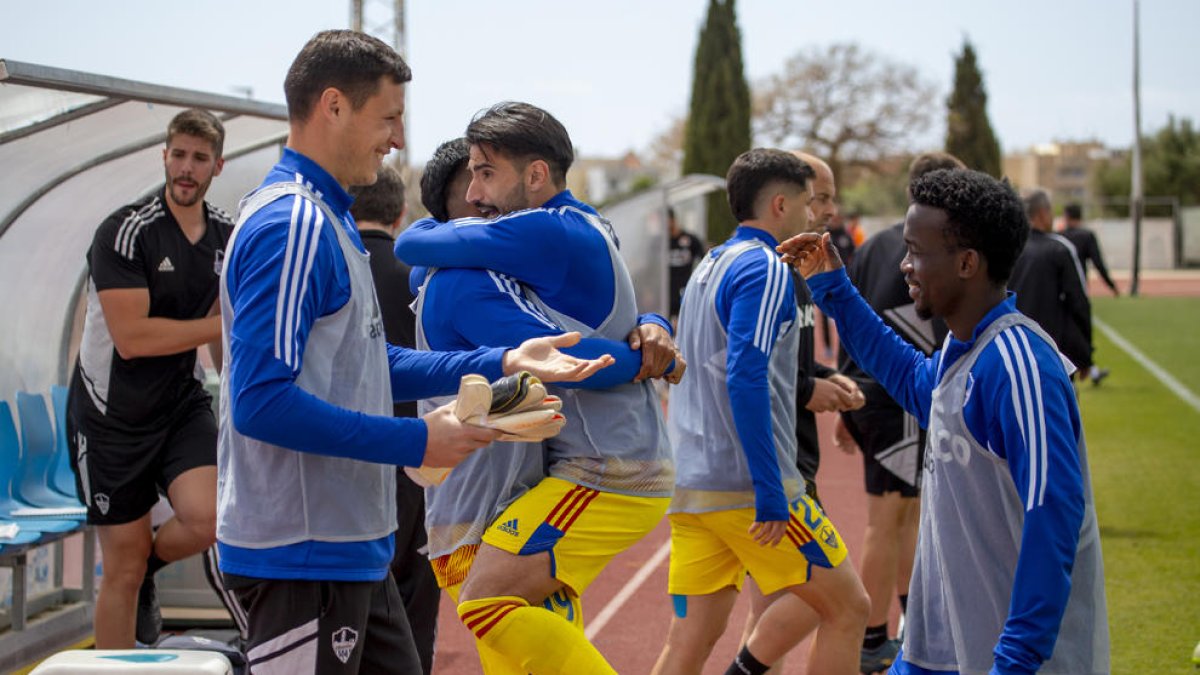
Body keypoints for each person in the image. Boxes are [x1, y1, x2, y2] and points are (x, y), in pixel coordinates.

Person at [216, 32, 610, 674]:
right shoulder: (293, 225)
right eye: (389, 116)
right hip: (301, 557)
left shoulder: (329, 218)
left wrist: (504, 361)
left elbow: (370, 365)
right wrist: (415, 442)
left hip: (350, 551)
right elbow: (258, 403)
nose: (398, 137)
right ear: (334, 106)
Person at [781, 167, 1109, 674]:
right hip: (940, 653)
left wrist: (1016, 659)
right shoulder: (964, 349)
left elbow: (1054, 515)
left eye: (916, 251)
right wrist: (835, 289)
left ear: (967, 263)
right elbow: (913, 379)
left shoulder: (1019, 366)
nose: (905, 265)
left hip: (1014, 661)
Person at [396, 101, 679, 674]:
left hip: (593, 472)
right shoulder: (574, 229)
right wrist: (649, 344)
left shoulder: (542, 233)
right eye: (471, 179)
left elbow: (558, 351)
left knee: (485, 603)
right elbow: (417, 250)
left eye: (486, 173)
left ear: (535, 176)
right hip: (521, 492)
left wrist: (645, 350)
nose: (478, 197)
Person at [653, 148, 869, 675]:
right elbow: (745, 376)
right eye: (806, 204)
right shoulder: (767, 266)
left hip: (693, 484)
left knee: (690, 639)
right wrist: (770, 489)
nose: (812, 216)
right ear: (778, 205)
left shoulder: (710, 264)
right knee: (849, 608)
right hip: (747, 488)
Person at [65, 108, 241, 648]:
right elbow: (132, 338)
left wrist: (237, 391)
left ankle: (148, 569)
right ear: (165, 157)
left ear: (217, 165)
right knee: (119, 569)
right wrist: (222, 323)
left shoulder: (225, 237)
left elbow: (220, 338)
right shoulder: (125, 231)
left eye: (200, 158)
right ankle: (124, 625)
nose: (187, 168)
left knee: (212, 518)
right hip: (109, 417)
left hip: (179, 406)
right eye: (179, 155)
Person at [833, 151, 963, 674]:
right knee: (887, 520)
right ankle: (870, 639)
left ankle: (910, 625)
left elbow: (852, 320)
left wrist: (848, 397)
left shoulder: (876, 244)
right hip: (899, 401)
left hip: (880, 395)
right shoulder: (921, 248)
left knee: (907, 515)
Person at [348, 164, 439, 674]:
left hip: (348, 460)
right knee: (413, 619)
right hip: (419, 463)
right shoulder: (419, 281)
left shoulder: (334, 271)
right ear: (402, 212)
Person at [1008, 190, 1100, 385]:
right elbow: (1079, 304)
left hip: (1011, 353)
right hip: (1053, 355)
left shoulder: (1008, 250)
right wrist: (1085, 356)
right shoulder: (1060, 249)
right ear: (1042, 213)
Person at [1060, 203, 1119, 297]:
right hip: (1080, 284)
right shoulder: (1087, 236)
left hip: (1060, 286)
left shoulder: (1059, 236)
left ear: (1066, 216)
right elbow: (1098, 263)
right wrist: (1111, 285)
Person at [668, 207, 705, 322]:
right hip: (667, 290)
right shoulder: (660, 242)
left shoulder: (690, 239)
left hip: (685, 289)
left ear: (672, 220)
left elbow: (704, 259)